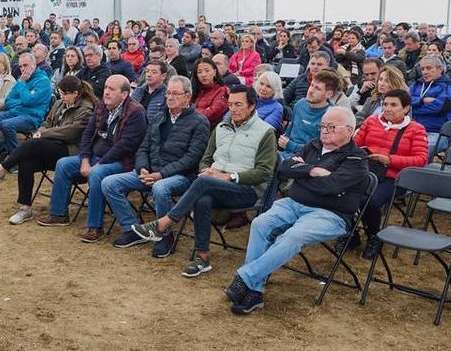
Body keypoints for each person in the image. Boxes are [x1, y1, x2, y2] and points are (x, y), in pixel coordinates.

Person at [224, 106, 369, 315]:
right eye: (323, 126)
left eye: (331, 126)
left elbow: (331, 187)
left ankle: (245, 278)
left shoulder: (356, 159)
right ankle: (254, 291)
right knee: (260, 223)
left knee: (292, 236)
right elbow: (284, 168)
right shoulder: (313, 145)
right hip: (293, 204)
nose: (325, 130)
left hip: (330, 214)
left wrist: (301, 175)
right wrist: (312, 170)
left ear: (349, 130)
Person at [130, 85, 277, 275]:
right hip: (214, 185)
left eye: (239, 104)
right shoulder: (222, 128)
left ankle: (163, 223)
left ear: (252, 106)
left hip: (245, 189)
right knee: (202, 197)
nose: (233, 109)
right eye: (230, 104)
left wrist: (228, 176)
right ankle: (202, 257)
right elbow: (206, 159)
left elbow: (265, 172)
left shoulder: (266, 132)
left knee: (204, 183)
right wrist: (205, 171)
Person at [100, 76, 211, 253]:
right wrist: (142, 167)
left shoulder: (199, 121)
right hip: (150, 171)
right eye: (168, 93)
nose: (170, 97)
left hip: (180, 176)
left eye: (175, 93)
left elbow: (192, 158)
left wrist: (161, 174)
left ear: (187, 97)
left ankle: (164, 234)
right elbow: (143, 147)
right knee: (109, 183)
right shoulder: (159, 117)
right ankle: (133, 230)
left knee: (160, 188)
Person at [37, 76, 147, 241]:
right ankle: (59, 214)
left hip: (121, 162)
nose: (106, 92)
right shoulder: (101, 106)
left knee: (97, 173)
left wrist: (98, 164)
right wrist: (85, 160)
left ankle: (95, 227)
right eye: (106, 88)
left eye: (112, 89)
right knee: (63, 164)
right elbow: (87, 135)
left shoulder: (135, 112)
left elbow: (125, 146)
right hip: (95, 157)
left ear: (124, 94)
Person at [0, 76, 95, 224]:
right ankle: (25, 208)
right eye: (60, 93)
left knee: (34, 144)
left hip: (71, 151)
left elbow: (72, 132)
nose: (62, 97)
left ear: (75, 93)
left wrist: (44, 134)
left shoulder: (86, 109)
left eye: (65, 94)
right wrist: (41, 131)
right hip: (52, 146)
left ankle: (1, 169)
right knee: (27, 162)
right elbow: (47, 122)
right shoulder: (59, 104)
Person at [351, 89, 428, 258]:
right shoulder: (372, 122)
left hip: (395, 178)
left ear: (406, 108)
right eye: (385, 104)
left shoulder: (416, 129)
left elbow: (421, 159)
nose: (387, 108)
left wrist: (390, 160)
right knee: (339, 192)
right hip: (366, 172)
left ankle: (374, 236)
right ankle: (351, 234)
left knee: (370, 200)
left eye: (393, 105)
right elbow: (354, 146)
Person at [0, 54, 52, 160]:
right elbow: (8, 101)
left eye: (25, 65)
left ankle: (17, 159)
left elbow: (28, 101)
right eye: (20, 66)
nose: (22, 69)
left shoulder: (43, 81)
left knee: (6, 125)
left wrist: (22, 84)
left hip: (32, 117)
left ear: (34, 65)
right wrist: (21, 101)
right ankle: (2, 152)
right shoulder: (21, 80)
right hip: (14, 113)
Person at [279, 70, 340, 161]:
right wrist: (284, 139)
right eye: (312, 85)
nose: (311, 90)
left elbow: (321, 149)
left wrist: (291, 146)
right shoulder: (300, 104)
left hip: (308, 159)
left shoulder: (332, 114)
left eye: (317, 88)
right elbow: (290, 130)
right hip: (285, 153)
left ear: (329, 94)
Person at [409, 55, 451, 153]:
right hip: (411, 129)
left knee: (420, 151)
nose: (425, 72)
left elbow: (441, 108)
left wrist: (413, 107)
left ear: (440, 69)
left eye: (429, 68)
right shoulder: (417, 85)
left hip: (436, 132)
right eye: (423, 69)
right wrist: (422, 101)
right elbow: (403, 102)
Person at [192, 57, 229, 125]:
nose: (203, 75)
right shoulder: (196, 90)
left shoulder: (222, 90)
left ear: (214, 72)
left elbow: (213, 113)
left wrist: (191, 113)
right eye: (199, 72)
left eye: (207, 71)